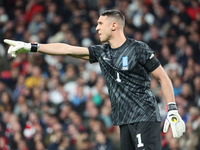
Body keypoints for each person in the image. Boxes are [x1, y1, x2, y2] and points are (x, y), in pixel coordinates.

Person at [4, 10, 185, 150]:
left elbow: (163, 77)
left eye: (100, 23)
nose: (96, 28)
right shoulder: (102, 52)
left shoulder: (138, 48)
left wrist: (172, 110)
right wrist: (31, 47)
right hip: (124, 121)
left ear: (114, 26)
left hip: (144, 117)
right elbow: (67, 49)